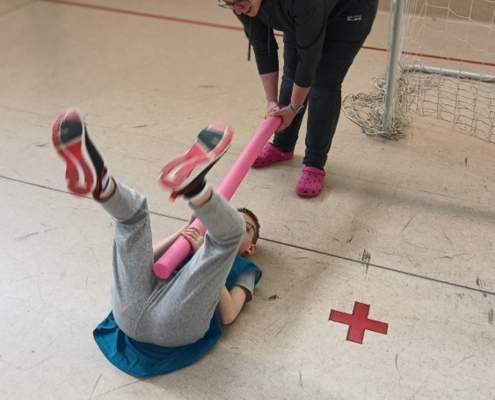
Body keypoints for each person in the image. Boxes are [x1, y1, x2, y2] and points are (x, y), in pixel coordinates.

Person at [51, 108, 262, 377]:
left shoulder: (245, 269)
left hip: (176, 325)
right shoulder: (192, 239)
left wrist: (205, 258)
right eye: (221, 215)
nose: (230, 223)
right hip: (129, 311)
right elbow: (141, 259)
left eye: (247, 227)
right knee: (133, 216)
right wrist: (182, 232)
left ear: (251, 247)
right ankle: (101, 182)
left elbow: (229, 313)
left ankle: (195, 188)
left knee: (226, 237)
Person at [218, 0, 379, 197]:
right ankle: (282, 145)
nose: (238, 9)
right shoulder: (238, 2)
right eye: (229, 4)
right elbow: (262, 46)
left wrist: (294, 107)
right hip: (305, 12)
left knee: (323, 83)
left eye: (240, 3)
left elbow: (309, 59)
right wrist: (271, 101)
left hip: (349, 10)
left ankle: (314, 163)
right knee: (291, 73)